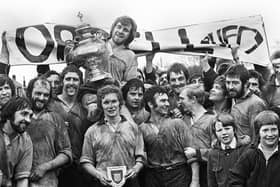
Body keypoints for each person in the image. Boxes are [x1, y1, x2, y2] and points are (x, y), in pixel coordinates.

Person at [80, 85, 145, 187]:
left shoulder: (133, 127)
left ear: (120, 103)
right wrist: (98, 175)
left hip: (129, 182)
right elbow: (86, 161)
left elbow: (141, 156)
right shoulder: (92, 131)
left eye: (114, 101)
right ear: (101, 105)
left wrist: (135, 169)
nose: (111, 106)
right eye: (106, 102)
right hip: (103, 183)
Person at [139, 86, 199, 187]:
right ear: (150, 104)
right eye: (162, 101)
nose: (167, 104)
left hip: (179, 175)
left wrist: (195, 181)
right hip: (153, 177)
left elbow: (192, 155)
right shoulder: (142, 128)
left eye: (167, 100)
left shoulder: (178, 124)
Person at [25, 77, 72, 187]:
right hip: (20, 180)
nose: (41, 98)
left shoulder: (55, 118)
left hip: (47, 181)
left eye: (46, 95)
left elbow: (66, 152)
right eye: (38, 93)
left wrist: (45, 167)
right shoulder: (19, 116)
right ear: (29, 92)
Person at [49, 65, 89, 187]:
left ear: (81, 83)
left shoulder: (84, 108)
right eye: (68, 79)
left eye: (75, 80)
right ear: (62, 82)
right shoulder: (50, 104)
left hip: (78, 167)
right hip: (54, 166)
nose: (71, 83)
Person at [229, 110, 280, 187]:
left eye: (273, 129)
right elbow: (235, 179)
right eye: (265, 130)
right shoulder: (250, 154)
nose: (270, 134)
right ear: (258, 132)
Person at [179, 83, 216, 187]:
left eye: (182, 99)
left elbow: (217, 152)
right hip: (186, 173)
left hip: (207, 174)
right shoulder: (184, 120)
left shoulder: (212, 120)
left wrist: (197, 153)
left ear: (193, 99)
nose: (179, 102)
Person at [225, 64, 266, 142]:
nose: (230, 87)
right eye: (228, 82)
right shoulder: (233, 98)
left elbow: (257, 138)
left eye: (235, 83)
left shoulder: (255, 103)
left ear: (246, 84)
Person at [207, 113, 248, 187]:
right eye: (219, 130)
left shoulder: (246, 149)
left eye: (227, 129)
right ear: (215, 133)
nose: (224, 133)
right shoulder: (213, 154)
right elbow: (211, 182)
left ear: (234, 129)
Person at [0, 97, 33, 187]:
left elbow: (22, 179)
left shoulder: (25, 140)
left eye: (30, 116)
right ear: (10, 113)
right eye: (24, 114)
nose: (28, 120)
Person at [107, 16, 138, 81]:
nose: (121, 31)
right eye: (119, 27)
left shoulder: (130, 56)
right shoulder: (99, 44)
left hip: (114, 90)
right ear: (113, 28)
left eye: (125, 30)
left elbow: (130, 83)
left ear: (130, 35)